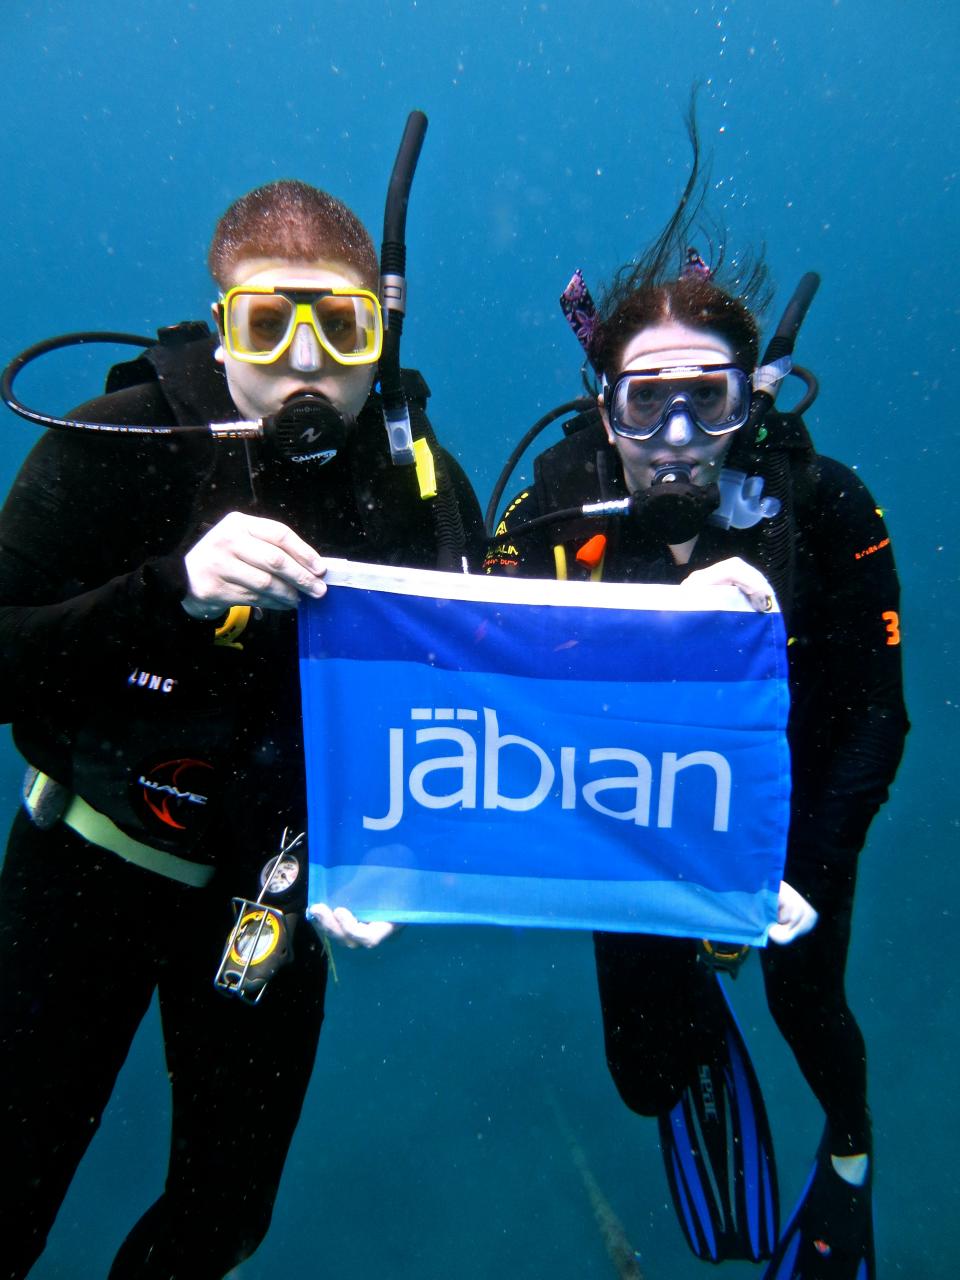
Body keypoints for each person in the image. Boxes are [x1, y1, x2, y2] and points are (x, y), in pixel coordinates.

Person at [0, 177, 483, 1278]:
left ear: (381, 331)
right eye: (270, 324)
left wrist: (697, 631)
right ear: (220, 333)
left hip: (271, 897)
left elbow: (480, 694)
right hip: (86, 868)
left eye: (341, 325)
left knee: (224, 1217)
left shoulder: (416, 481)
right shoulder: (121, 441)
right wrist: (165, 584)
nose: (306, 360)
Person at [484, 125, 907, 1277]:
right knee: (642, 1076)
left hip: (793, 806)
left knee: (809, 994)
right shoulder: (554, 506)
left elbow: (879, 712)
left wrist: (804, 861)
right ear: (603, 404)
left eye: (708, 403)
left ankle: (852, 1160)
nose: (676, 441)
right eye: (645, 405)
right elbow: (476, 676)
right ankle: (695, 1026)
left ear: (750, 400)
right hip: (629, 813)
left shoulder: (823, 505)